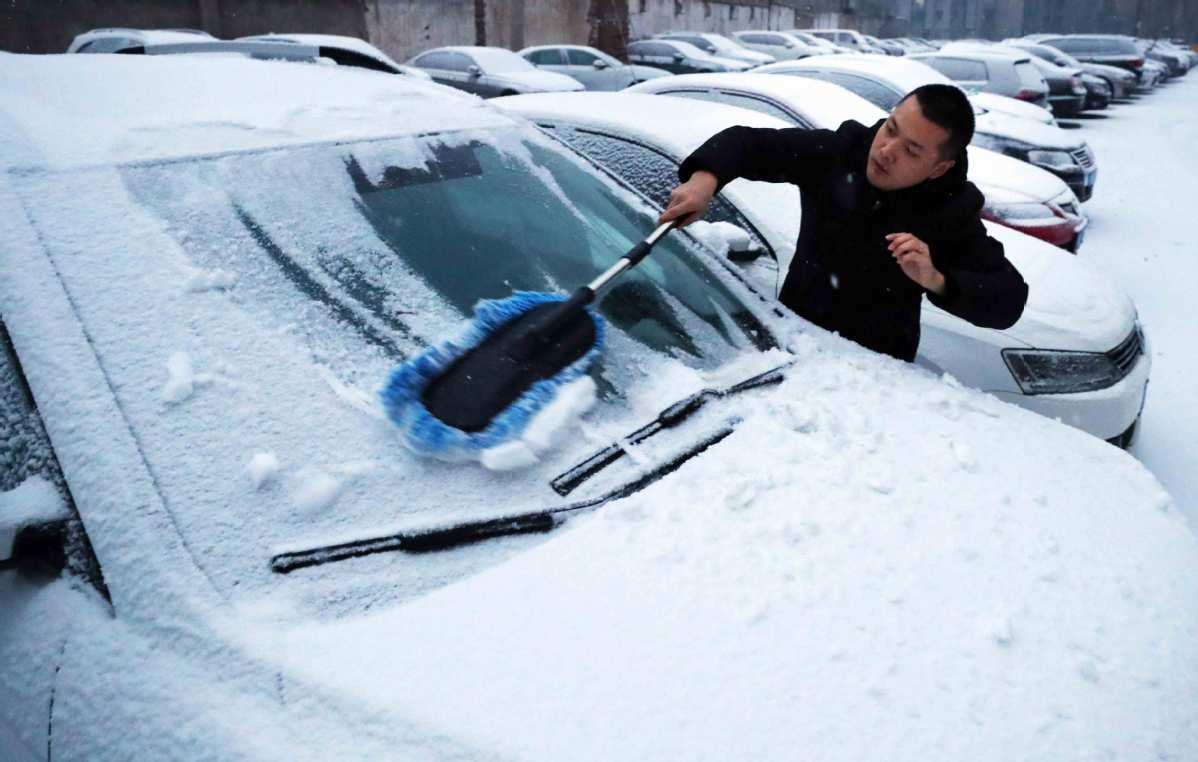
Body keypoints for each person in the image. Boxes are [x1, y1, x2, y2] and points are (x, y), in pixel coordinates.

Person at [659, 84, 1028, 362]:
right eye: (892, 128)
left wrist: (936, 279)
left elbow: (1008, 300)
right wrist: (704, 180)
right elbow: (747, 144)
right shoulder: (838, 154)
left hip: (875, 372)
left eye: (911, 150)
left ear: (940, 168)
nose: (886, 150)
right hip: (790, 343)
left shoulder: (949, 212)